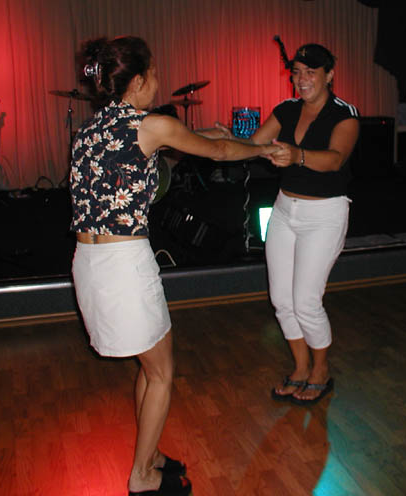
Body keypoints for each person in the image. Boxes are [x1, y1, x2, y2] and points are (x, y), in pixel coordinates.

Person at [70, 36, 279, 496]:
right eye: (154, 74)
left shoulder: (91, 129)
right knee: (162, 372)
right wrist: (260, 150)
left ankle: (151, 455)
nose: (158, 82)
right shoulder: (152, 125)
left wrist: (215, 135)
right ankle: (142, 477)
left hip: (88, 262)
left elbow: (180, 139)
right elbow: (214, 153)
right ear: (137, 81)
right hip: (123, 265)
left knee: (150, 367)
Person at [222, 43, 359, 405]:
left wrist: (296, 155)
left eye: (310, 72)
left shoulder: (344, 114)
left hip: (324, 215)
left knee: (306, 301)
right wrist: (228, 140)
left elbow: (334, 159)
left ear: (329, 75)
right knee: (282, 300)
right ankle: (300, 368)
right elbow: (254, 144)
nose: (302, 79)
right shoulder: (286, 109)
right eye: (296, 72)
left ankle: (321, 370)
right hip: (285, 211)